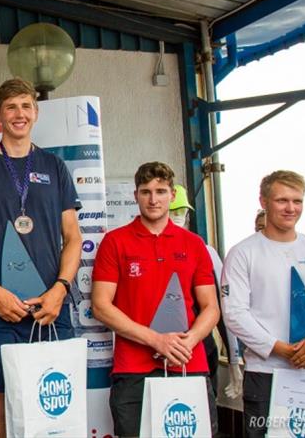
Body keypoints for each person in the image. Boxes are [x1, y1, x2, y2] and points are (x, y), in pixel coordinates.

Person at [0, 78, 82, 437]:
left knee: (54, 401)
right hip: (0, 309)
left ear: (36, 113)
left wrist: (60, 289)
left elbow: (73, 237)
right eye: (10, 107)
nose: (19, 114)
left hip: (51, 307)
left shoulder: (54, 166)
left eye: (26, 106)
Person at [92, 162, 219, 438]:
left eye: (160, 191)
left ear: (172, 195)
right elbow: (101, 306)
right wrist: (155, 340)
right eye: (146, 191)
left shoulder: (194, 243)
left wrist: (191, 339)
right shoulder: (114, 242)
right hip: (134, 369)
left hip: (188, 362)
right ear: (135, 195)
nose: (153, 199)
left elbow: (211, 307)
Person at [222, 170, 305, 438]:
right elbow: (234, 313)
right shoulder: (243, 253)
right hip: (266, 374)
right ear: (263, 202)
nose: (291, 208)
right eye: (282, 200)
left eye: (297, 201)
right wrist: (281, 349)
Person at [169, 184, 243, 399]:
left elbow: (221, 307)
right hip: (152, 349)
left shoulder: (204, 251)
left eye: (181, 212)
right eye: (172, 211)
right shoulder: (135, 248)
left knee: (200, 415)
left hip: (199, 345)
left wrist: (233, 360)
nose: (176, 217)